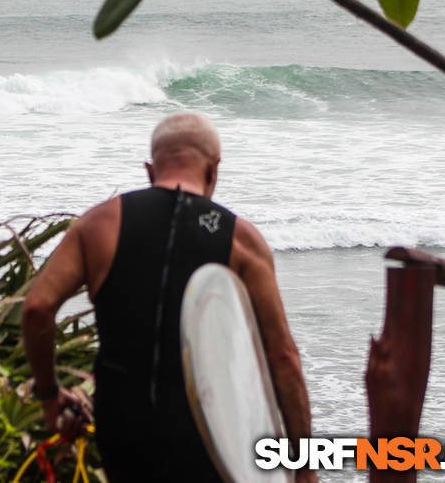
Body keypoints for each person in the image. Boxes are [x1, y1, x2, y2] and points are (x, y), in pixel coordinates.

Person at [22, 112, 316, 482]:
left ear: (150, 170)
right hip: (210, 436)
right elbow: (283, 357)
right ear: (213, 170)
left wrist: (49, 395)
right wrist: (304, 466)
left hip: (123, 428)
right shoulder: (242, 241)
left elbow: (37, 309)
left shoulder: (99, 224)